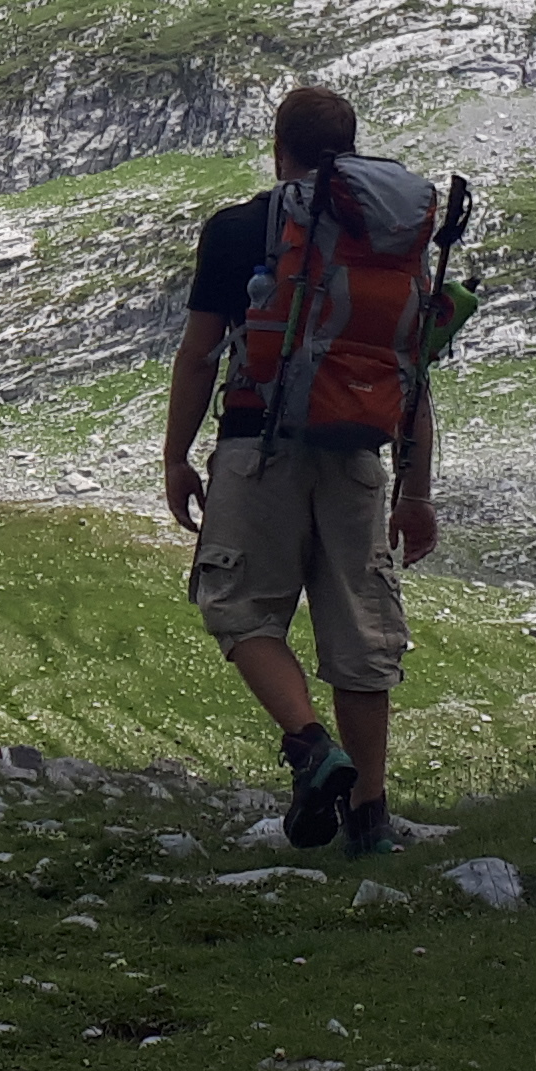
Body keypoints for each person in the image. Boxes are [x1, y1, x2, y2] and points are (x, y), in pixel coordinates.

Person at [162, 82, 440, 855]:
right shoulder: (389, 242)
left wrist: (177, 455)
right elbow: (414, 371)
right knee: (360, 634)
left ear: (278, 148)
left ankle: (313, 750)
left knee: (238, 607)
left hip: (260, 447)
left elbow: (199, 354)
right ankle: (372, 823)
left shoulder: (240, 229)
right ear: (350, 149)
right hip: (358, 454)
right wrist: (416, 492)